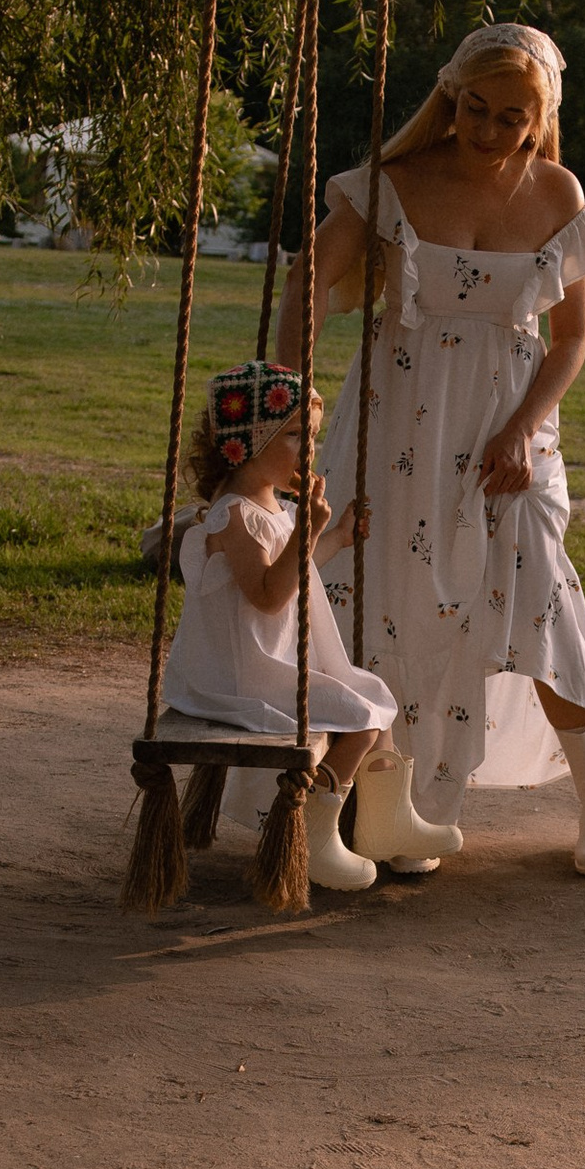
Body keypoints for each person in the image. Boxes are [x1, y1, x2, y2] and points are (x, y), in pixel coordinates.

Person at [278, 20, 585, 878]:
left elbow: (572, 339)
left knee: (539, 596)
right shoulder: (394, 184)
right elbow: (307, 279)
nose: (489, 130)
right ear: (451, 96)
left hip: (511, 433)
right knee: (390, 603)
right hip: (399, 423)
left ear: (540, 119)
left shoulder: (557, 193)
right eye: (476, 108)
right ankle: (400, 809)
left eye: (512, 117)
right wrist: (290, 395)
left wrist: (522, 429)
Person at [161, 358, 398, 890]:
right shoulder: (233, 515)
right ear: (247, 442)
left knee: (374, 694)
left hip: (267, 664)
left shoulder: (272, 505)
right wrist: (308, 530)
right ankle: (313, 834)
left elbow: (299, 568)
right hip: (241, 676)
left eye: (311, 435)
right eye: (295, 436)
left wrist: (333, 538)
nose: (309, 448)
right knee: (361, 719)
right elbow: (269, 595)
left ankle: (387, 823)